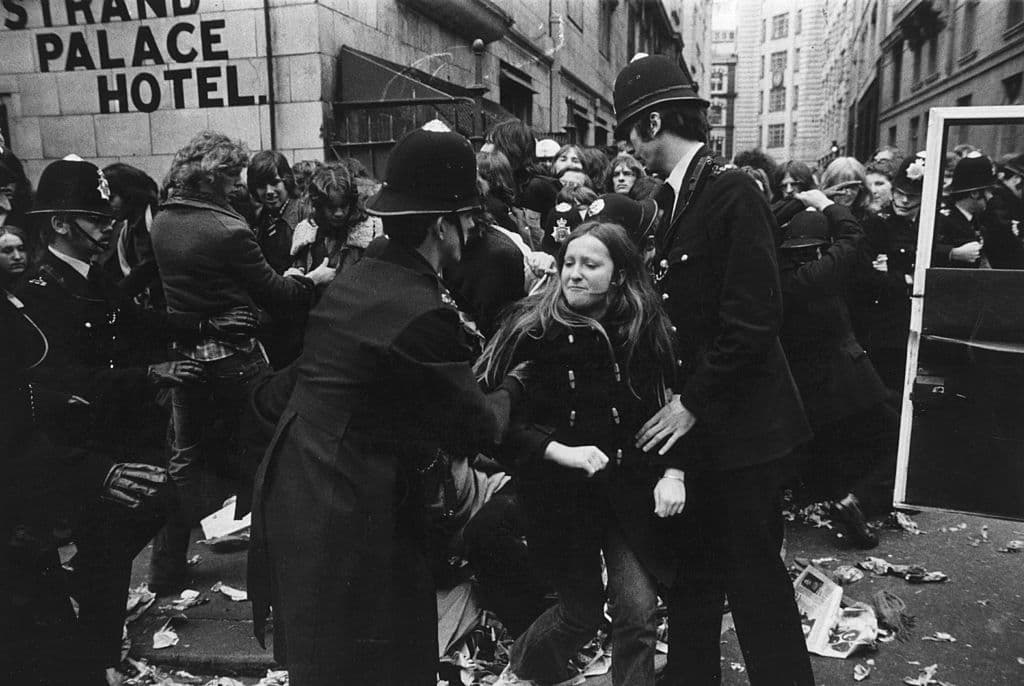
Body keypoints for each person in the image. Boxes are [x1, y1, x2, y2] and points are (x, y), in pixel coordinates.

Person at [248, 121, 524, 686]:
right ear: (442, 226)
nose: (475, 228)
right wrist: (519, 379)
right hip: (346, 509)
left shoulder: (364, 272)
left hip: (308, 488)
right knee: (375, 664)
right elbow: (480, 426)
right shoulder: (422, 313)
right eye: (469, 216)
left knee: (336, 661)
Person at [614, 53, 814, 685]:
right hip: (707, 438)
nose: (626, 146)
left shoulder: (730, 193)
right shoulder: (678, 201)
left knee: (756, 588)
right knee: (695, 579)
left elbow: (754, 322)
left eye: (628, 130)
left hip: (743, 437)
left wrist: (690, 402)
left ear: (651, 125)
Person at [15, 155, 200, 685]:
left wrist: (201, 325)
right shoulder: (38, 296)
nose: (107, 229)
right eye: (96, 220)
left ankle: (96, 647)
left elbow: (137, 321)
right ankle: (96, 659)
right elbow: (63, 382)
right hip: (80, 451)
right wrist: (150, 375)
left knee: (114, 548)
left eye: (109, 219)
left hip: (117, 439)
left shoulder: (89, 279)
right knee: (110, 549)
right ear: (58, 223)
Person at [479, 220, 684, 686]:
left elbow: (672, 405)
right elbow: (491, 423)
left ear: (619, 274)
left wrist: (676, 471)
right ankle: (522, 667)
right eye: (568, 262)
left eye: (590, 265)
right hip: (559, 500)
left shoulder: (643, 328)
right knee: (579, 614)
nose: (573, 274)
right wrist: (556, 451)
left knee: (638, 612)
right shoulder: (533, 332)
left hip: (625, 492)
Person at [148, 132, 334, 594]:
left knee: (185, 463)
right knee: (275, 455)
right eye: (232, 179)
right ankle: (281, 572)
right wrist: (313, 278)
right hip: (235, 361)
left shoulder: (164, 221)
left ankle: (165, 568)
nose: (239, 188)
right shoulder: (228, 230)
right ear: (211, 178)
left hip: (188, 361)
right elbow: (280, 295)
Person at [777, 196, 899, 549]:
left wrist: (790, 203)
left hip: (809, 393)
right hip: (851, 383)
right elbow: (853, 237)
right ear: (821, 248)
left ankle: (842, 495)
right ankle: (858, 501)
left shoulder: (778, 275)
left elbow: (763, 225)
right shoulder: (822, 273)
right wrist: (827, 204)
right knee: (902, 438)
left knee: (845, 446)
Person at [848, 156, 924, 396]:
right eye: (899, 192)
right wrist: (908, 280)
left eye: (911, 196)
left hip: (918, 323)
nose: (902, 200)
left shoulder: (931, 223)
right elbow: (866, 277)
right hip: (885, 328)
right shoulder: (878, 224)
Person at [936, 153, 1024, 269]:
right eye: (988, 192)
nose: (990, 197)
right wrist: (952, 253)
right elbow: (921, 249)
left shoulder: (979, 219)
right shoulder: (943, 220)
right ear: (975, 194)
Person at [249, 150, 301, 274]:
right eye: (261, 185)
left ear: (287, 180)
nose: (269, 191)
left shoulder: (304, 213)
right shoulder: (261, 217)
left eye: (274, 183)